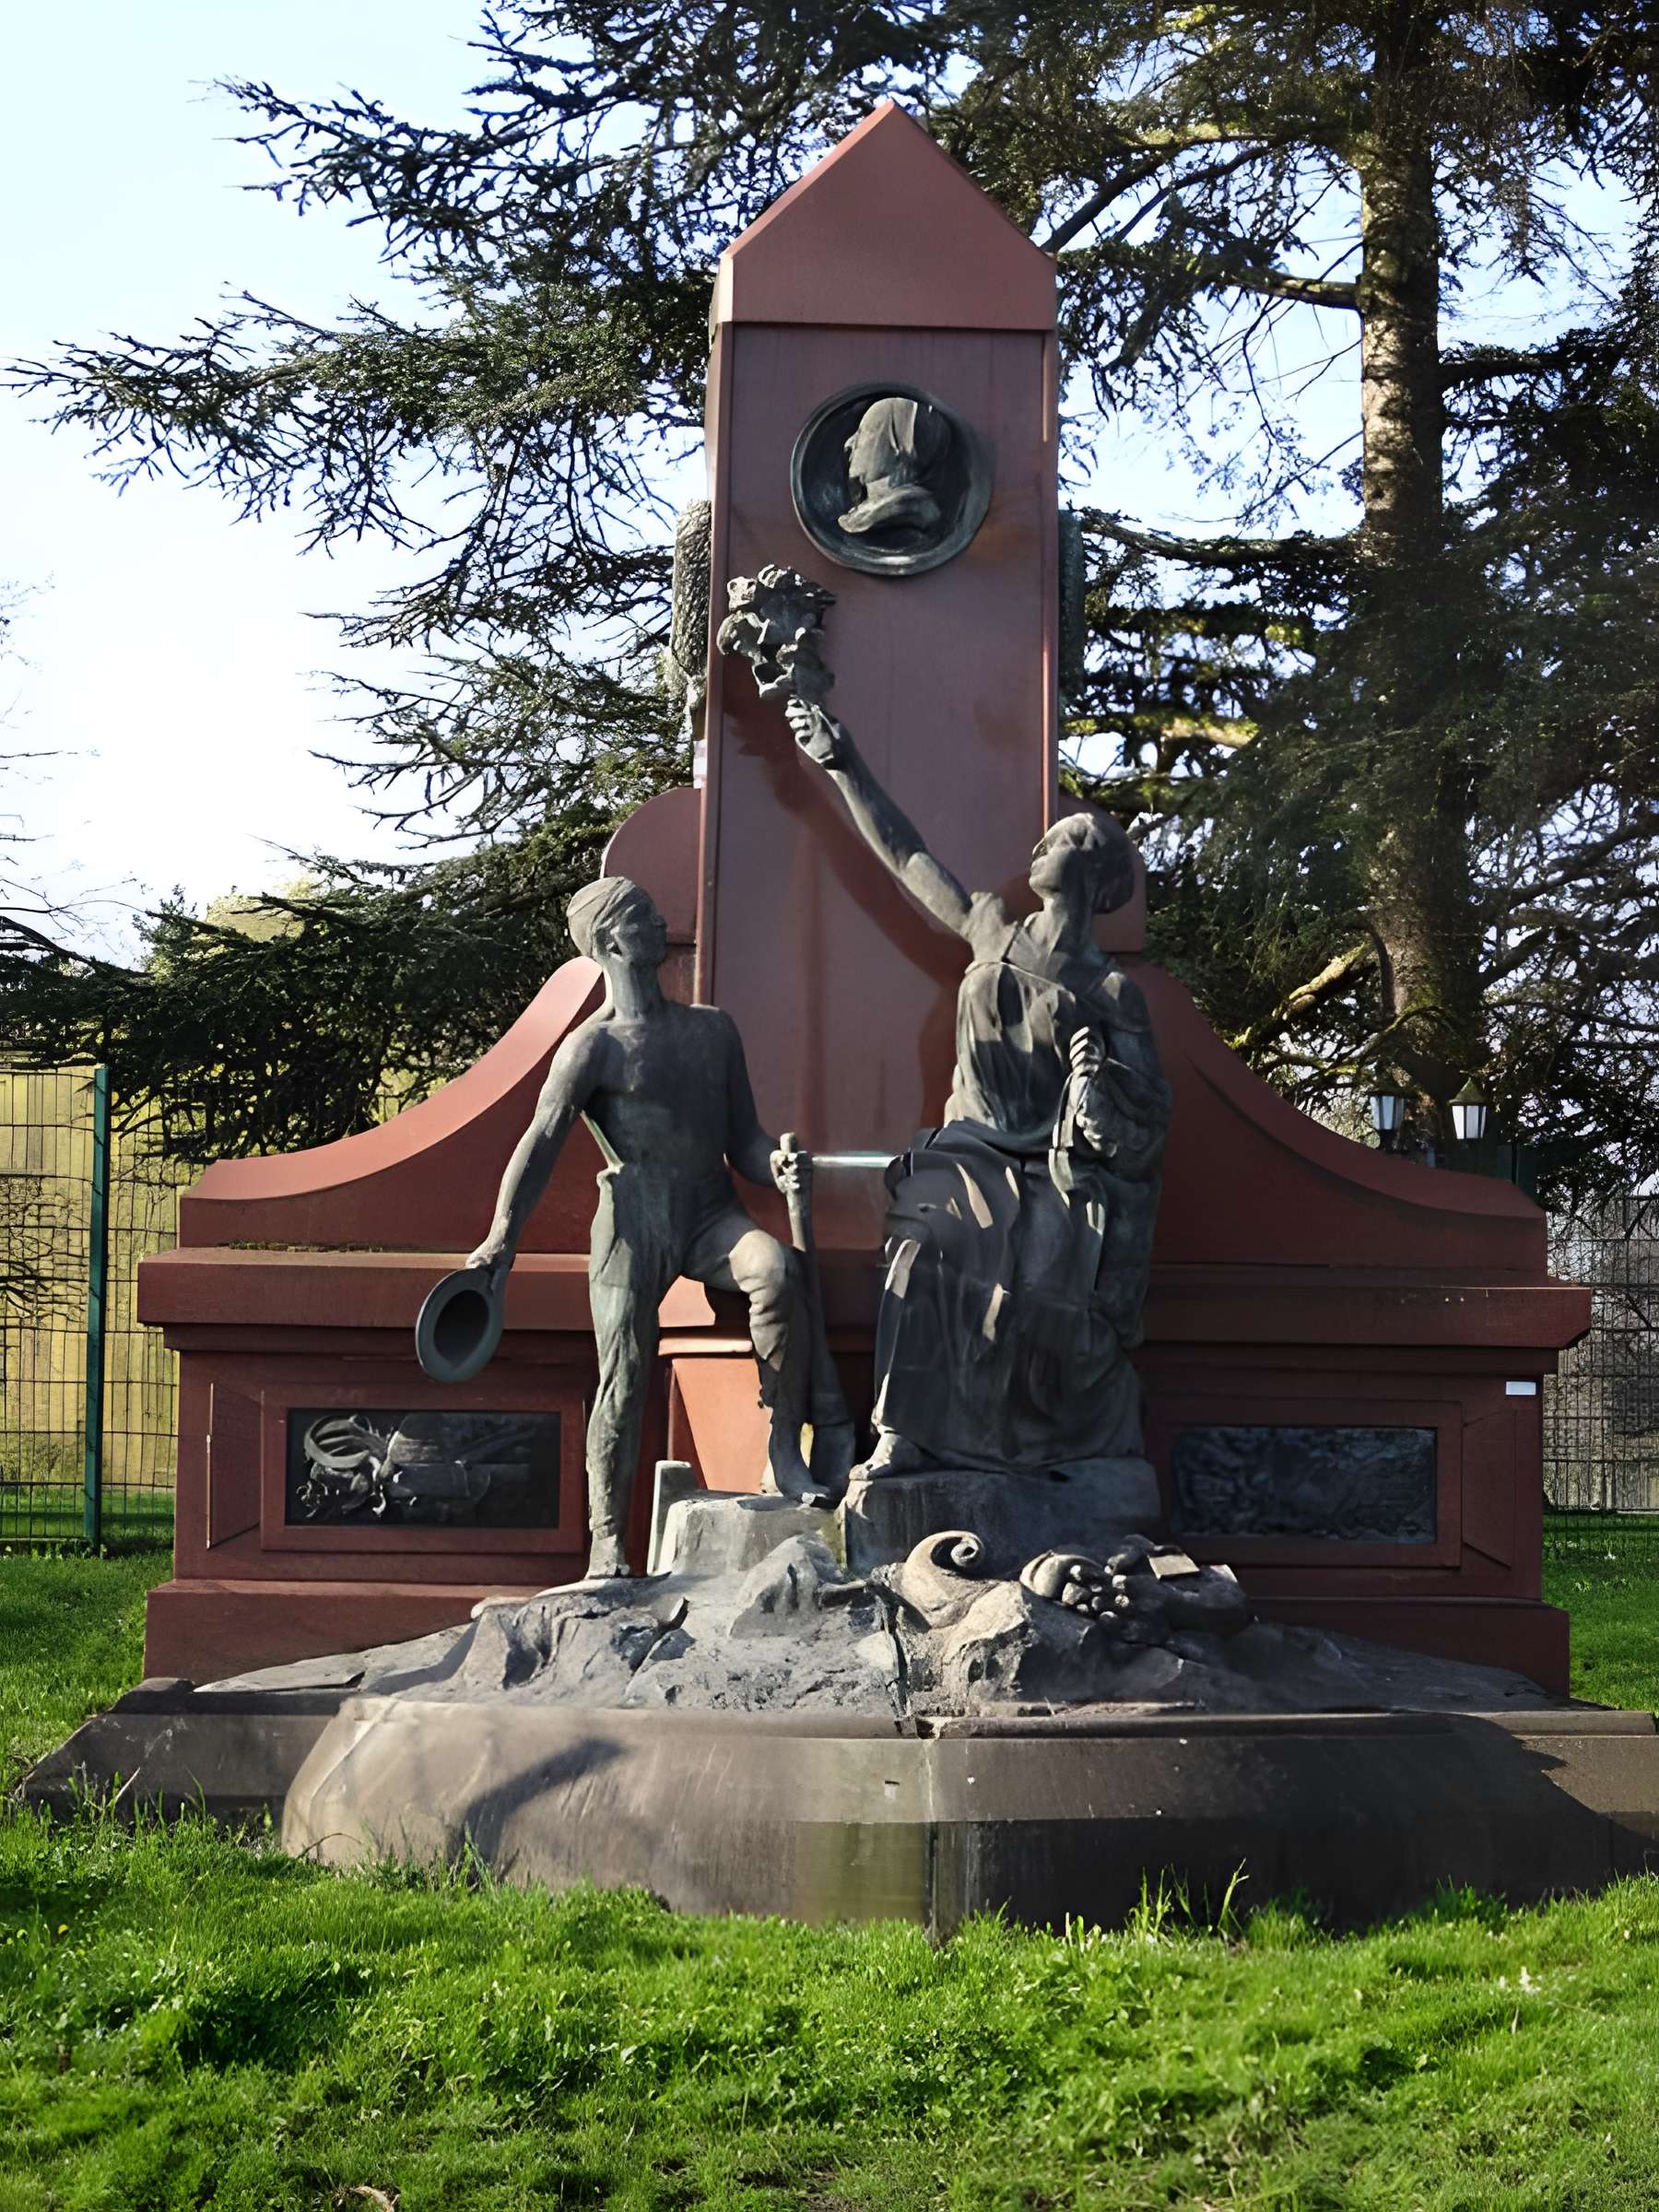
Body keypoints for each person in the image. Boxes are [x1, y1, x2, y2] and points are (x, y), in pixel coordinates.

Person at [781, 696, 1171, 1478]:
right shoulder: (993, 925)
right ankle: (903, 1436)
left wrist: (1098, 1086)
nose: (1041, 842)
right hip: (965, 1151)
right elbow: (908, 856)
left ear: (1096, 877)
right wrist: (843, 762)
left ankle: (1038, 1459)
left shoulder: (1111, 990)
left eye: (1063, 838)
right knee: (921, 1252)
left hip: (1055, 1172)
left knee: (1046, 1293)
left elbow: (1145, 1120)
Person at [466, 874, 816, 1576]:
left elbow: (742, 1139)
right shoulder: (590, 1049)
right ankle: (607, 1544)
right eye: (644, 916)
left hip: (711, 1211)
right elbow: (538, 1142)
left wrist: (773, 1162)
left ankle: (783, 1450)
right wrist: (502, 1235)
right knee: (622, 1377)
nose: (662, 923)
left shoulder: (713, 1030)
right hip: (632, 1222)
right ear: (610, 942)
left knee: (775, 1270)